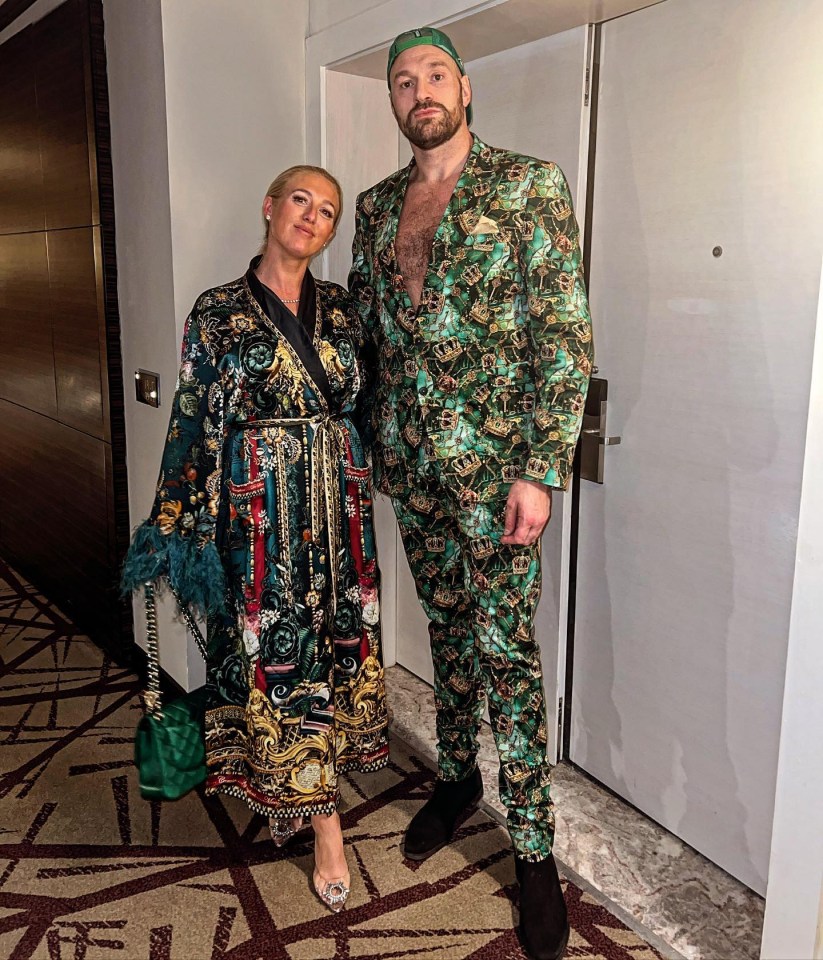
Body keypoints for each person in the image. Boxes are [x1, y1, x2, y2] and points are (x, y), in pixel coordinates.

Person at [349, 27, 593, 960]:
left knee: (507, 654)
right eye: (402, 81)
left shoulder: (527, 186)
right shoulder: (374, 210)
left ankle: (533, 853)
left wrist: (540, 466)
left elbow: (563, 335)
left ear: (465, 87)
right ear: (394, 102)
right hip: (411, 470)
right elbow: (369, 341)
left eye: (434, 74)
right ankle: (457, 779)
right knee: (446, 630)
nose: (419, 91)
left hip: (499, 479)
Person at [123, 165, 389, 913]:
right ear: (270, 207)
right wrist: (173, 525)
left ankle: (303, 797)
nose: (312, 216)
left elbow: (371, 407)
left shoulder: (340, 310)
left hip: (338, 514)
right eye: (300, 200)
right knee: (273, 651)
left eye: (327, 211)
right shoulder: (217, 312)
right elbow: (192, 418)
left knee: (332, 647)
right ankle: (318, 818)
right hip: (257, 516)